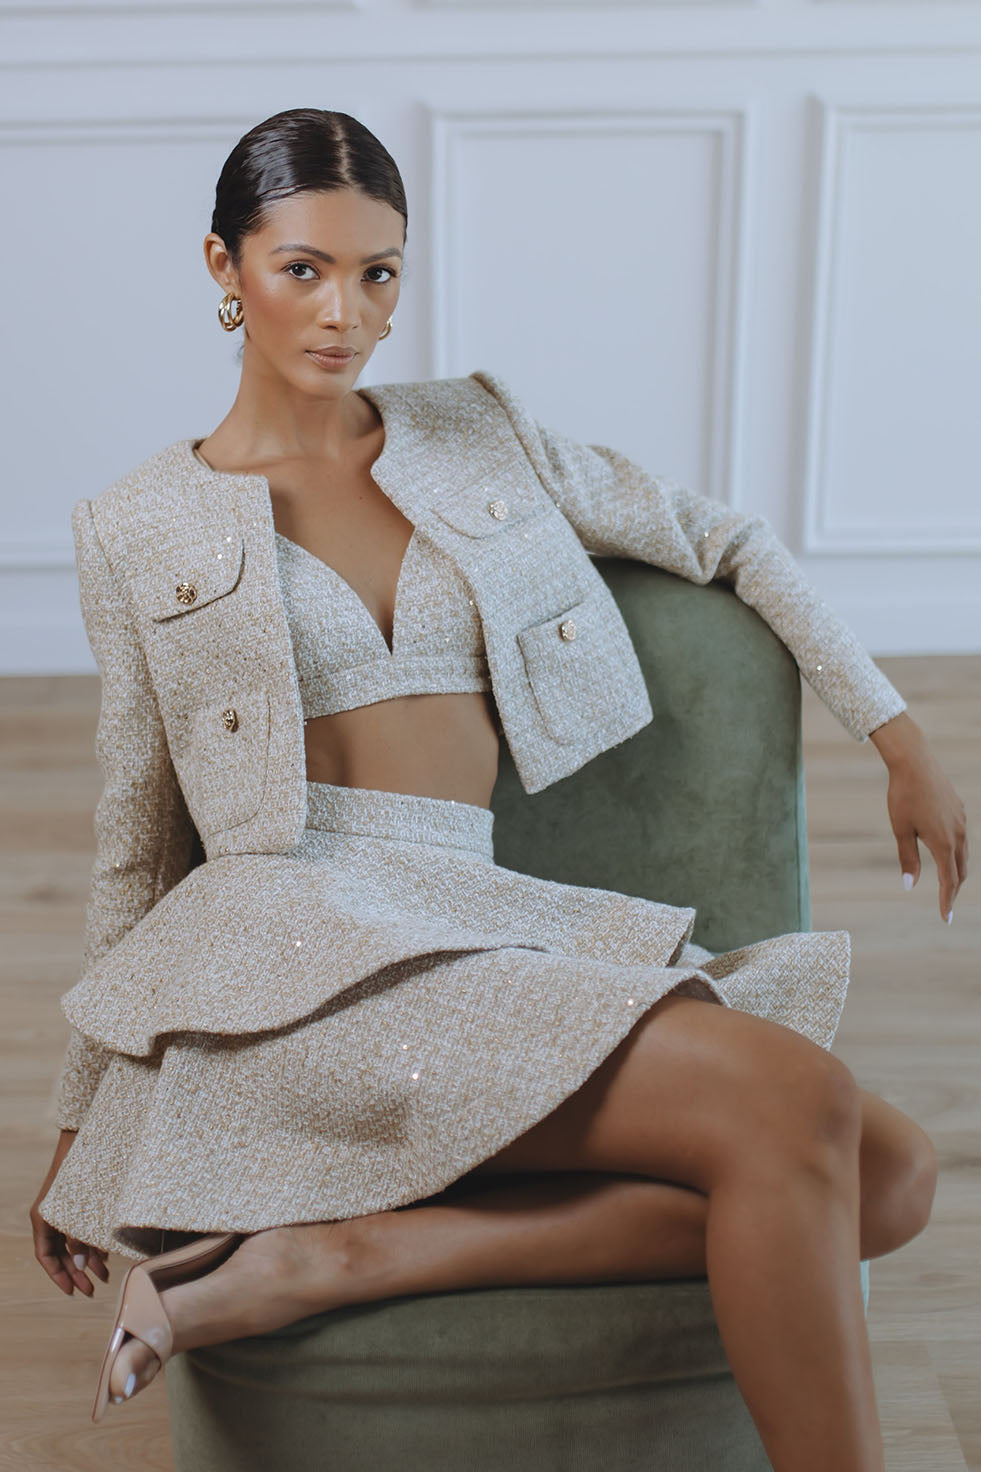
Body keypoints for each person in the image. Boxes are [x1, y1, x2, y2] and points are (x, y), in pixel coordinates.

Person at [29, 107, 966, 1470]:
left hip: (473, 911)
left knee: (894, 1174)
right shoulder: (136, 524)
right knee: (807, 1113)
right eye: (303, 269)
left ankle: (343, 1255)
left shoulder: (473, 430)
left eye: (378, 272)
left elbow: (722, 538)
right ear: (224, 267)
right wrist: (81, 1118)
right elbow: (136, 838)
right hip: (295, 949)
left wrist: (897, 734)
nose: (346, 312)